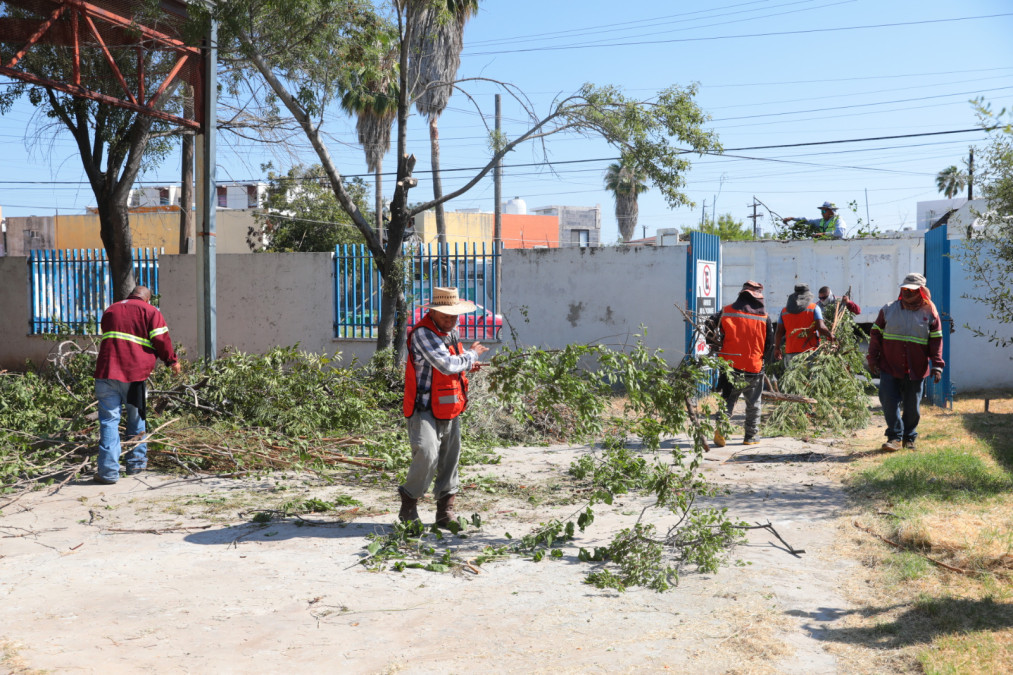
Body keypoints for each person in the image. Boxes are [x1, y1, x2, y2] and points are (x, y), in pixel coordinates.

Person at [400, 287, 489, 527]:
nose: (450, 320)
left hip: (449, 405)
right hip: (424, 407)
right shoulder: (423, 334)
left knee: (450, 459)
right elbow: (447, 364)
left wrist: (468, 364)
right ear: (433, 313)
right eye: (445, 316)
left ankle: (445, 512)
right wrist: (471, 355)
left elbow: (452, 365)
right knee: (427, 453)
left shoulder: (451, 332)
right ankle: (408, 503)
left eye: (454, 316)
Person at [93, 286, 181, 484]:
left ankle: (107, 472)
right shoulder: (151, 312)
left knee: (109, 421)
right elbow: (161, 340)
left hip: (106, 373)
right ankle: (136, 463)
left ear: (131, 295)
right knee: (136, 419)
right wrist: (172, 361)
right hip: (133, 376)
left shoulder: (112, 309)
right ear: (147, 299)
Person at [867, 273, 945, 452]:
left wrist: (937, 366)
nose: (907, 293)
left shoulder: (930, 312)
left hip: (916, 369)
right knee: (888, 401)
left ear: (921, 291)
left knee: (912, 407)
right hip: (889, 366)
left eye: (912, 290)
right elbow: (875, 335)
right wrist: (872, 358)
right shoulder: (888, 309)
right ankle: (894, 438)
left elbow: (936, 340)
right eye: (904, 289)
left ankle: (909, 439)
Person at [704, 280, 775, 447]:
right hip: (753, 367)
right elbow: (769, 344)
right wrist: (763, 360)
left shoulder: (727, 311)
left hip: (730, 366)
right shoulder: (764, 317)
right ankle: (750, 437)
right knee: (753, 404)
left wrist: (712, 342)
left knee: (728, 400)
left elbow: (708, 323)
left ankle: (721, 432)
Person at [773, 284, 833, 367]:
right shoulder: (814, 308)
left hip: (791, 352)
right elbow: (821, 327)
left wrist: (777, 348)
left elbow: (779, 332)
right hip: (809, 353)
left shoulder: (784, 311)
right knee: (809, 378)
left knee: (793, 378)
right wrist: (831, 336)